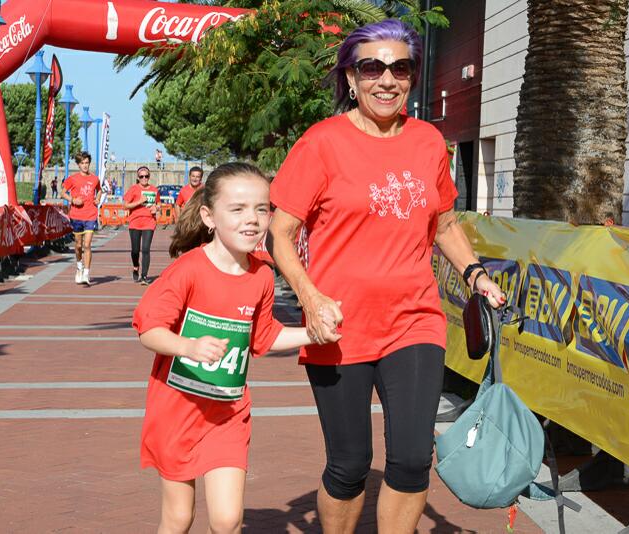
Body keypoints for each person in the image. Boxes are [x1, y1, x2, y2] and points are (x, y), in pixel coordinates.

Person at [268, 19, 506, 534]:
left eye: (400, 68)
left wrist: (475, 274)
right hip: (338, 326)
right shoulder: (322, 142)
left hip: (413, 320)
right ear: (350, 79)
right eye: (371, 67)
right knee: (350, 465)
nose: (386, 79)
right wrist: (309, 297)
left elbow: (444, 224)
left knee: (413, 458)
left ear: (413, 77)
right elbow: (281, 232)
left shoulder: (427, 141)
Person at [132, 162, 333, 534]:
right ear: (209, 217)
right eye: (238, 209)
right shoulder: (187, 271)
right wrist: (187, 346)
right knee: (178, 518)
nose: (253, 220)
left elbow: (264, 337)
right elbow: (148, 328)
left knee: (227, 520)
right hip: (177, 412)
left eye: (261, 208)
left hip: (228, 413)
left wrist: (312, 333)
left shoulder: (261, 275)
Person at [62, 152, 101, 285]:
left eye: (87, 163)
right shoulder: (73, 179)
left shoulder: (95, 179)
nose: (85, 165)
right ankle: (79, 267)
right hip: (76, 216)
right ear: (78, 165)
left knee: (87, 244)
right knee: (78, 245)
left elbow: (99, 189)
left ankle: (86, 273)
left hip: (90, 215)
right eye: (82, 163)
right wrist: (73, 200)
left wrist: (98, 198)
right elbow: (62, 193)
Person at [123, 167, 159, 284]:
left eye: (146, 176)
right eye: (141, 176)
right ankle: (135, 266)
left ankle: (144, 276)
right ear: (138, 178)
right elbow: (126, 205)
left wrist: (156, 208)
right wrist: (140, 201)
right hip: (135, 222)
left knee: (146, 249)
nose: (144, 178)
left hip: (149, 222)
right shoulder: (133, 189)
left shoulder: (154, 189)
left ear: (149, 177)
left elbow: (158, 203)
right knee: (135, 250)